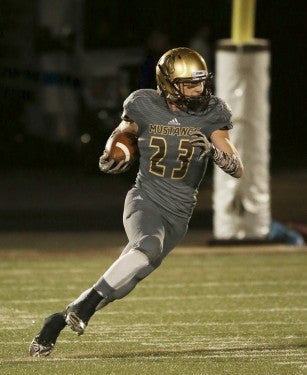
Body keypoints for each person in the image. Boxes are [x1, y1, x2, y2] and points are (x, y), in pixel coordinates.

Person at [29, 47, 244, 357]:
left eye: (200, 82)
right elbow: (123, 132)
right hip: (146, 198)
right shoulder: (143, 103)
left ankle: (58, 321)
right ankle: (85, 308)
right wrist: (114, 152)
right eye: (190, 83)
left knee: (125, 283)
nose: (198, 89)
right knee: (147, 247)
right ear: (169, 84)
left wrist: (215, 154)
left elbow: (237, 167)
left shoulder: (212, 112)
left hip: (179, 214)